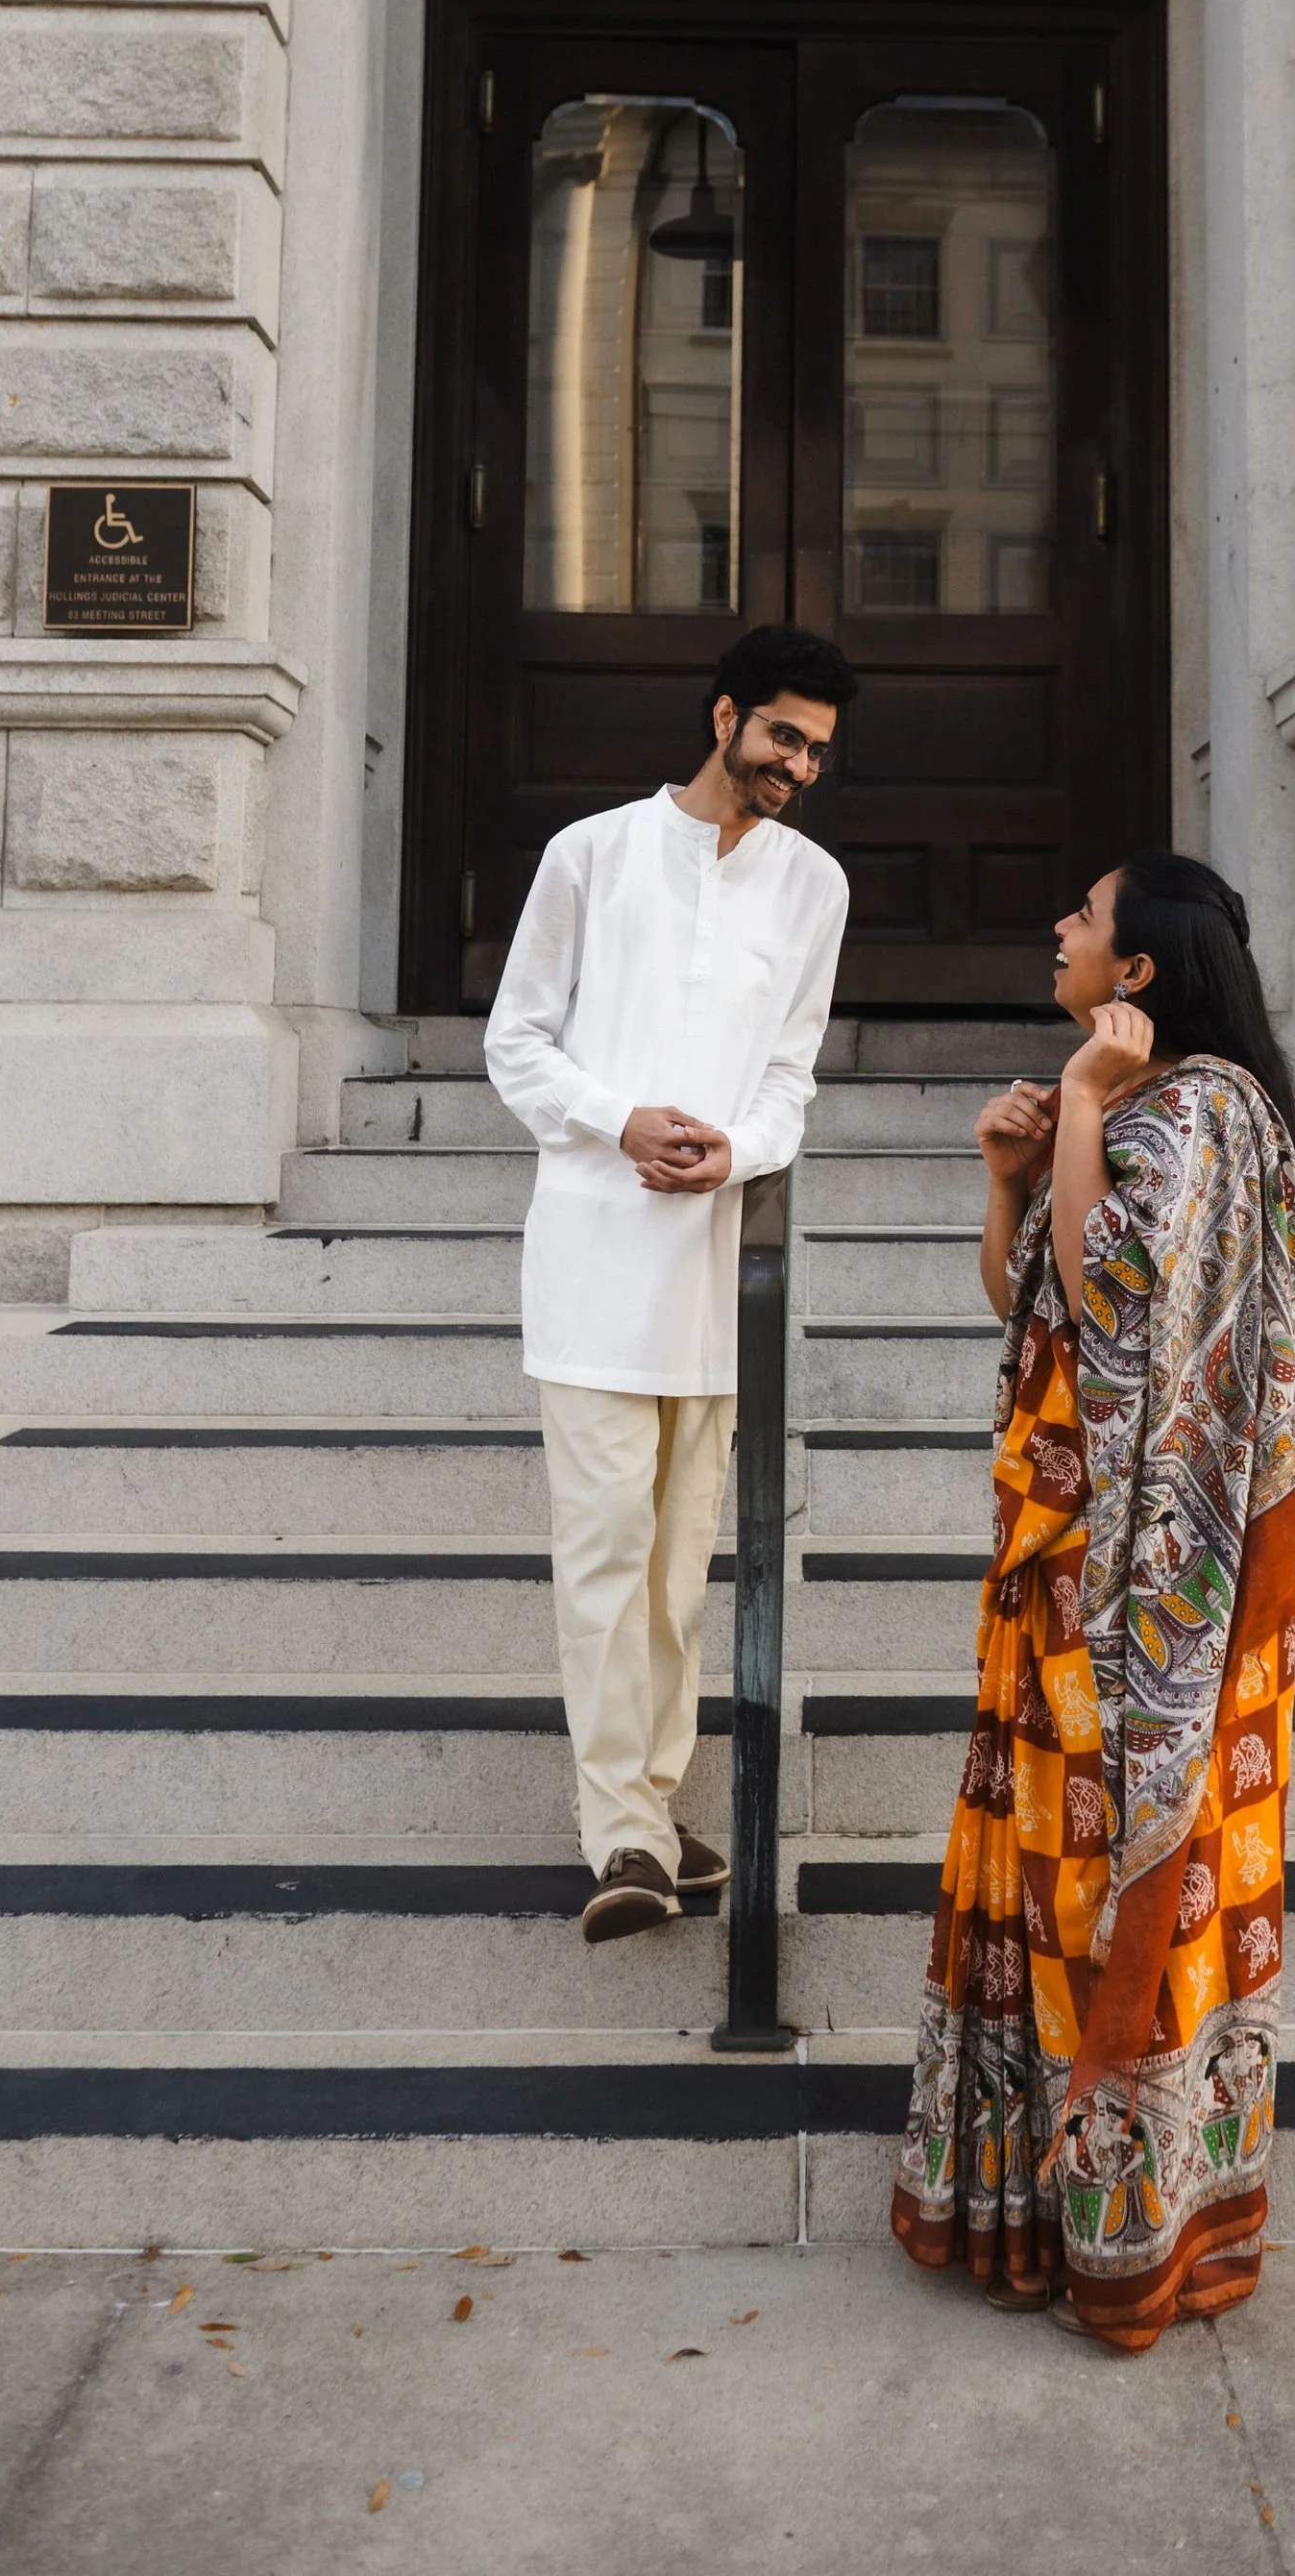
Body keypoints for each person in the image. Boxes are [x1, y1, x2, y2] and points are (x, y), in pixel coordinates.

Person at [890, 851, 1295, 2349]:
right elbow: (1025, 1301)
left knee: (1108, 1894)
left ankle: (1135, 2237)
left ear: (1136, 972)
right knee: (1052, 1888)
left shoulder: (1206, 1109)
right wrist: (1011, 1172)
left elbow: (1113, 1305)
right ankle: (1037, 2207)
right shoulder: (1149, 1114)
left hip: (1151, 1602)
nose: (1059, 931)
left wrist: (1083, 1115)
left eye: (1083, 918)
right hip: (1067, 1580)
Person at [484, 625, 854, 1945]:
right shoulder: (590, 854)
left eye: (817, 749)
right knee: (601, 1554)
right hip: (590, 1258)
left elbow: (790, 1076)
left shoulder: (816, 887)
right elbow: (515, 1040)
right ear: (724, 719)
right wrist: (620, 1120)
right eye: (781, 738)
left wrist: (738, 1150)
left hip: (709, 1279)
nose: (799, 766)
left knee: (678, 1575)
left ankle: (650, 1805)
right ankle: (625, 1836)